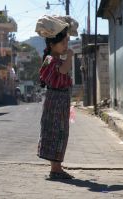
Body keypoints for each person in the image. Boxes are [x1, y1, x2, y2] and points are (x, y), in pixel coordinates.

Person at [37, 26, 75, 180]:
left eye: (67, 42)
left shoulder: (53, 59)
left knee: (59, 132)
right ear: (52, 45)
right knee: (57, 132)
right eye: (63, 42)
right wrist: (70, 55)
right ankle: (55, 169)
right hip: (56, 99)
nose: (66, 46)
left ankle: (56, 168)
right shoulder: (51, 59)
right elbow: (63, 71)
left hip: (59, 99)